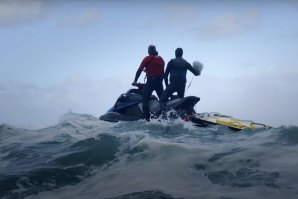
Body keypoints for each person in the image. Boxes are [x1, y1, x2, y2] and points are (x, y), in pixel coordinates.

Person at [132, 45, 165, 121]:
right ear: (155, 50)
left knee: (145, 99)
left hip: (151, 81)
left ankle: (146, 119)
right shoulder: (161, 59)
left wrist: (135, 80)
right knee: (162, 100)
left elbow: (139, 70)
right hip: (159, 82)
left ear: (149, 51)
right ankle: (165, 116)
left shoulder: (147, 58)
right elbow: (162, 73)